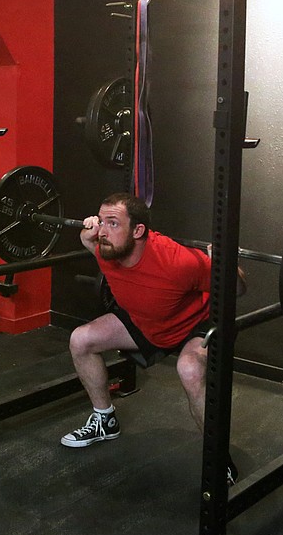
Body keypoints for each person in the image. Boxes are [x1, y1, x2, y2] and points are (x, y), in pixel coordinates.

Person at [63, 191, 239, 485]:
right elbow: (86, 238)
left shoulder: (179, 262)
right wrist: (90, 229)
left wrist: (224, 264)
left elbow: (236, 288)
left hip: (191, 326)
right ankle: (105, 420)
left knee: (190, 369)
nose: (103, 231)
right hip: (146, 323)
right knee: (80, 340)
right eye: (101, 221)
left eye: (113, 223)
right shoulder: (106, 248)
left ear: (139, 230)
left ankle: (219, 456)